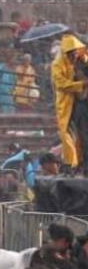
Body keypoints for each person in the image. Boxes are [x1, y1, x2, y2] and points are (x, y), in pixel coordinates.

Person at [51, 34, 87, 172]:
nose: (74, 56)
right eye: (71, 54)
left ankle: (80, 161)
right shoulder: (57, 64)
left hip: (80, 102)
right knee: (66, 133)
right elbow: (61, 84)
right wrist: (81, 84)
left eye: (75, 52)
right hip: (65, 102)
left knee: (81, 134)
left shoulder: (80, 58)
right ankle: (71, 162)